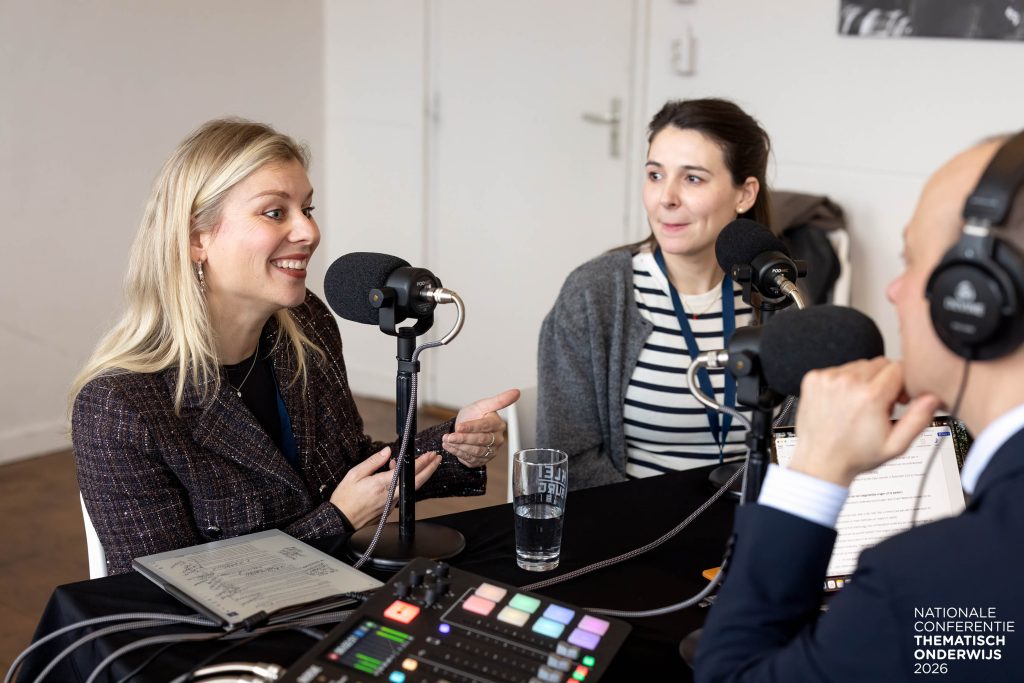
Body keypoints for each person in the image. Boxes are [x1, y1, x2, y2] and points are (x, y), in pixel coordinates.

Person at [70, 118, 518, 576]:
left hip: (345, 586)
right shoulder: (120, 407)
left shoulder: (306, 327)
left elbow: (346, 466)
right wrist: (337, 521)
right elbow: (163, 589)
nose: (309, 232)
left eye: (307, 208)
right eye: (274, 212)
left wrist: (455, 444)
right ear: (196, 238)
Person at [696, 133, 1024, 681]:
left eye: (912, 262)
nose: (894, 290)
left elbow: (732, 674)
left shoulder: (928, 586)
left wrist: (812, 477)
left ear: (972, 299)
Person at [537, 98, 771, 490]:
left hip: (751, 517)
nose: (666, 198)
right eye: (655, 175)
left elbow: (798, 441)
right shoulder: (595, 294)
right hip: (632, 520)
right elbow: (569, 458)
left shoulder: (777, 294)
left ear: (744, 194)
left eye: (692, 179)